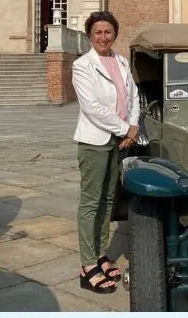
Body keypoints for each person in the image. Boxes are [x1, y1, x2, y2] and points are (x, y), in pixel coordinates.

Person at [70, 11, 139, 294]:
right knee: (91, 202)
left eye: (108, 32)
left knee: (108, 199)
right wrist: (125, 128)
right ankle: (87, 265)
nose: (103, 37)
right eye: (97, 32)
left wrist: (133, 125)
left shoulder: (121, 61)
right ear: (90, 35)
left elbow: (133, 96)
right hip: (95, 141)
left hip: (119, 140)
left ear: (115, 34)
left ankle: (100, 254)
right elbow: (92, 107)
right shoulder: (82, 65)